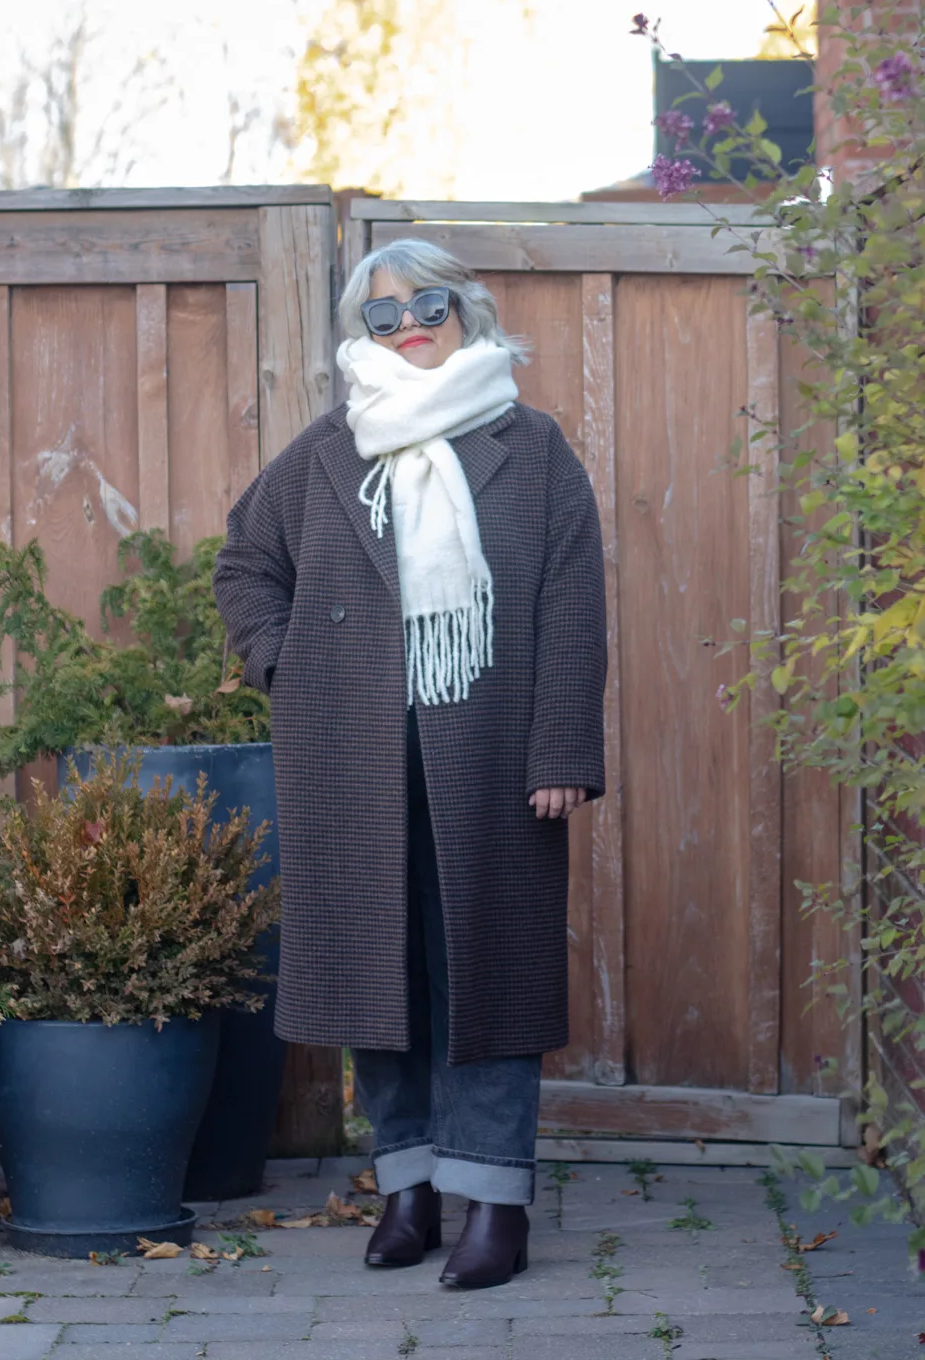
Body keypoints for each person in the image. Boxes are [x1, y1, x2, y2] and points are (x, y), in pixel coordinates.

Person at [213, 237, 607, 1290]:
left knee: (485, 975)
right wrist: (282, 660)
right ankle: (408, 1186)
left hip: (488, 758)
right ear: (362, 336)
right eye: (380, 318)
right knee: (377, 976)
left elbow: (571, 608)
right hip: (350, 756)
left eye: (423, 305)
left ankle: (495, 1203)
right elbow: (244, 559)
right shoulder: (330, 450)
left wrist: (562, 746)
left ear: (464, 309)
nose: (406, 328)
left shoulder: (532, 446)